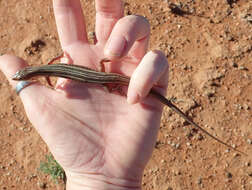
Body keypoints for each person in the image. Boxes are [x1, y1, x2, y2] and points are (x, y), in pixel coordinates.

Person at [0, 0, 168, 189]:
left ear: (30, 74)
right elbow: (54, 65)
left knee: (110, 84)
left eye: (21, 75)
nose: (18, 76)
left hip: (102, 79)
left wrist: (112, 85)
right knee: (109, 78)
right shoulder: (47, 68)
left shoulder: (46, 73)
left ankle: (114, 82)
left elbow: (49, 75)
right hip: (100, 73)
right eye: (21, 75)